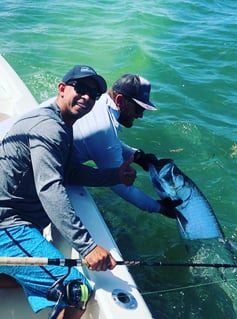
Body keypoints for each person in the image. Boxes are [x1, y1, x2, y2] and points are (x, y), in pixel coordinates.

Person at [0, 65, 136, 319]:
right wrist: (88, 247)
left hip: (11, 222)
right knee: (77, 290)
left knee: (35, 275)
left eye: (94, 95)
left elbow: (70, 172)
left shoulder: (60, 123)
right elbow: (50, 189)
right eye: (81, 88)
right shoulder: (50, 128)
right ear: (61, 89)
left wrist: (114, 175)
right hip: (7, 227)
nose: (86, 97)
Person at [60, 74, 181, 218]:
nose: (140, 115)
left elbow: (107, 142)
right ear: (120, 100)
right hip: (52, 169)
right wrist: (159, 207)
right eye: (138, 109)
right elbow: (119, 185)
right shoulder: (104, 129)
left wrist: (136, 156)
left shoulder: (99, 102)